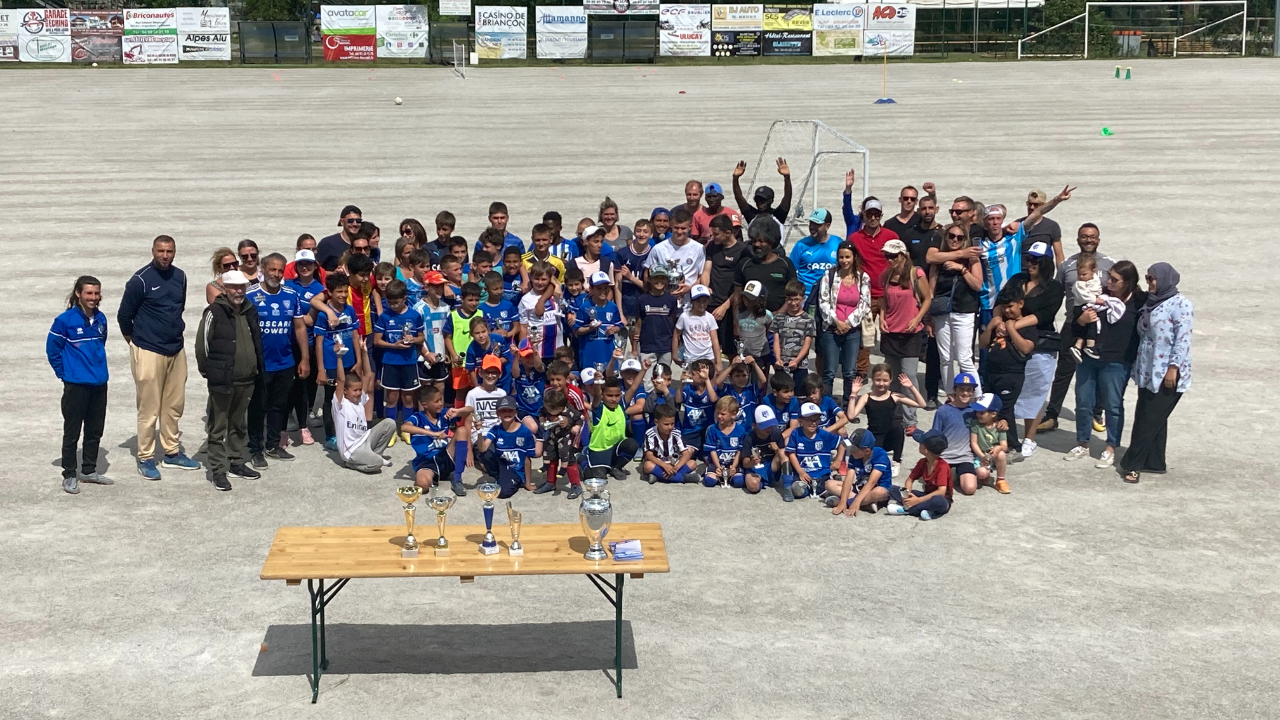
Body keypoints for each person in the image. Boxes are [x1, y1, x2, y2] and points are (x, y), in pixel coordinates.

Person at [118, 235, 200, 480]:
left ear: (175, 252)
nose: (165, 256)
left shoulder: (180, 276)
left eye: (169, 251)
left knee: (174, 405)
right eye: (161, 251)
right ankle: (145, 456)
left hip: (176, 349)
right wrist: (136, 344)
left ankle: (172, 452)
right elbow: (124, 317)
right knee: (149, 407)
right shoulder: (140, 281)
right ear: (153, 251)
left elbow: (178, 308)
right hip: (148, 350)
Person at [1064, 261, 1145, 468]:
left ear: (1128, 282)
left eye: (1115, 280)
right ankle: (1082, 443)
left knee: (1113, 404)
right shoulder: (1098, 294)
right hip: (1088, 358)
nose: (1109, 282)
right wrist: (1082, 320)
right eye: (1109, 277)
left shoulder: (1139, 301)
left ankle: (1111, 447)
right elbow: (1075, 321)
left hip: (1117, 361)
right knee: (1083, 401)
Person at [1120, 263, 1191, 483]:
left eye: (1152, 278)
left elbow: (1182, 339)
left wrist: (1173, 368)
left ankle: (1133, 464)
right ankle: (1155, 461)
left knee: (1147, 420)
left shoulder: (1181, 304)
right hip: (1147, 370)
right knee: (1152, 417)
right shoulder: (1151, 303)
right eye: (1147, 278)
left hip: (1167, 373)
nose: (1149, 282)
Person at [1039, 223, 1114, 432]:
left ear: (1098, 239)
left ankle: (1097, 412)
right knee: (1063, 371)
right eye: (1084, 236)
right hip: (1073, 324)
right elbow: (1056, 294)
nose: (1088, 240)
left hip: (1099, 326)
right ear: (1078, 239)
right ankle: (1052, 414)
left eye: (1092, 236)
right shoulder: (1067, 266)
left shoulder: (1109, 264)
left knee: (1099, 370)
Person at [195, 271, 263, 491]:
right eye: (234, 287)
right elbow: (202, 346)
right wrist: (210, 372)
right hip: (223, 379)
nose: (239, 291)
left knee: (238, 423)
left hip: (247, 379)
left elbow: (256, 339)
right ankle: (218, 470)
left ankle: (236, 461)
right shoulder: (214, 311)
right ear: (224, 288)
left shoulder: (250, 310)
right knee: (218, 426)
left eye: (242, 287)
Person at [48, 276, 113, 493]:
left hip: (99, 383)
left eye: (96, 293)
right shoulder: (64, 321)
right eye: (89, 293)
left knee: (95, 429)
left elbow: (100, 345)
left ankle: (89, 470)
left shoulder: (101, 319)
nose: (93, 297)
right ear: (78, 293)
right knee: (72, 431)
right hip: (76, 385)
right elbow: (52, 350)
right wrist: (64, 374)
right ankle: (69, 474)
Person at [246, 253, 308, 465]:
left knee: (279, 406)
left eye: (281, 270)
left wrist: (304, 359)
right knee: (258, 407)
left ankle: (273, 445)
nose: (276, 274)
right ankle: (255, 449)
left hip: (285, 362)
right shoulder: (250, 295)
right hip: (260, 363)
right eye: (272, 269)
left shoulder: (291, 295)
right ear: (263, 269)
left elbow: (299, 327)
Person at [1010, 242, 1064, 458]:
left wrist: (1014, 325)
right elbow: (1002, 301)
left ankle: (1029, 439)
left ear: (1046, 263)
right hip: (1012, 343)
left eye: (1036, 260)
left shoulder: (1054, 287)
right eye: (1029, 258)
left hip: (1040, 345)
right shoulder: (1017, 279)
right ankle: (1008, 437)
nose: (1031, 263)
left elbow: (1044, 315)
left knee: (1034, 392)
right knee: (1009, 389)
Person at [878, 239, 932, 434]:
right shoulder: (887, 275)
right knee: (892, 378)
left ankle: (911, 419)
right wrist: (881, 318)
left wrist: (917, 318)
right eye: (887, 255)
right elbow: (884, 301)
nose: (890, 259)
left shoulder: (916, 274)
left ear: (903, 255)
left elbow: (927, 298)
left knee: (908, 377)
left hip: (910, 333)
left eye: (893, 255)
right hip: (891, 331)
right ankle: (896, 415)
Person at [979, 283, 1037, 454]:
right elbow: (982, 344)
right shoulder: (999, 323)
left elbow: (1026, 348)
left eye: (1010, 306)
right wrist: (991, 326)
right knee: (990, 408)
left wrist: (1011, 329)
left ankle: (1013, 447)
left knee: (1005, 410)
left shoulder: (1026, 326)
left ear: (1021, 303)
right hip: (991, 372)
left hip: (1011, 375)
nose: (1007, 311)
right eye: (1004, 307)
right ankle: (994, 442)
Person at [313, 273, 367, 451]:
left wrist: (359, 360)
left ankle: (348, 430)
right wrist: (321, 369)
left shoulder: (350, 310)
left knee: (349, 397)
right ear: (329, 292)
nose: (343, 295)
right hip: (331, 364)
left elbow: (355, 335)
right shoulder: (323, 315)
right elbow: (319, 343)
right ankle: (330, 435)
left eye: (345, 291)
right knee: (331, 399)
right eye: (339, 292)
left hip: (349, 362)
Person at [929, 223, 983, 400]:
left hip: (964, 312)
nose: (955, 240)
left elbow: (977, 285)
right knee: (945, 357)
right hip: (942, 312)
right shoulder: (939, 259)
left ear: (965, 239)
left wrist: (961, 269)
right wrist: (928, 317)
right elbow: (931, 290)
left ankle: (977, 396)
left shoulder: (971, 258)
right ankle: (951, 395)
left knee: (964, 358)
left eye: (960, 237)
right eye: (951, 236)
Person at [847, 198, 898, 374]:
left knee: (891, 334)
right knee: (865, 335)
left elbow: (900, 262)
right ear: (864, 215)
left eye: (876, 214)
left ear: (881, 215)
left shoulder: (891, 236)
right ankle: (861, 372)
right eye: (870, 214)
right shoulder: (855, 238)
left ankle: (892, 370)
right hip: (866, 295)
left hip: (888, 294)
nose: (873, 218)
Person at [817, 242, 870, 406]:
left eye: (847, 257)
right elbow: (823, 301)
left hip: (852, 331)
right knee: (829, 371)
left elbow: (864, 304)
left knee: (850, 372)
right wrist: (837, 322)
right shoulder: (829, 275)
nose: (844, 260)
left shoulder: (863, 278)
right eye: (841, 257)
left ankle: (848, 406)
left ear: (854, 257)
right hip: (831, 329)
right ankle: (827, 406)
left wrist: (847, 323)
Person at [331, 347, 397, 474]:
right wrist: (339, 358)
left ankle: (374, 455)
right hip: (352, 450)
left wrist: (365, 353)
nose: (358, 393)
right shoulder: (340, 404)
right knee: (377, 464)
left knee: (390, 423)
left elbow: (367, 375)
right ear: (345, 391)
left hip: (365, 439)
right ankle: (351, 464)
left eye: (359, 390)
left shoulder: (360, 399)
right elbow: (341, 380)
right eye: (355, 390)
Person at [373, 279, 425, 434]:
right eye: (390, 303)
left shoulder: (414, 315)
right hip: (390, 362)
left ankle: (406, 430)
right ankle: (390, 432)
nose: (393, 306)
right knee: (391, 398)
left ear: (404, 298)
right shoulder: (385, 316)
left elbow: (422, 338)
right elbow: (377, 341)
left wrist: (413, 339)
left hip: (409, 362)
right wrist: (394, 345)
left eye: (396, 302)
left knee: (408, 398)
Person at [847, 366, 925, 466]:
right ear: (872, 379)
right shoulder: (866, 397)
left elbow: (921, 404)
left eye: (885, 380)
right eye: (878, 380)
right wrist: (853, 394)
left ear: (891, 380)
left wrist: (911, 387)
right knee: (875, 462)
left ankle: (896, 461)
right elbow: (851, 416)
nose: (881, 383)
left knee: (898, 427)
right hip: (875, 435)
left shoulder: (894, 396)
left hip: (891, 436)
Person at [285, 249, 324, 447]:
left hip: (308, 342)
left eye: (308, 263)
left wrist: (294, 315)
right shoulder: (288, 285)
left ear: (315, 266)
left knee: (305, 385)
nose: (305, 267)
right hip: (287, 341)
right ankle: (288, 418)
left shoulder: (320, 289)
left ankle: (304, 420)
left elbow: (311, 320)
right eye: (301, 264)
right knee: (288, 383)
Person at [927, 372, 982, 496]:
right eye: (961, 389)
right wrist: (932, 458)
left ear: (973, 392)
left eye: (969, 390)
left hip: (965, 455)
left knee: (970, 489)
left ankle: (959, 474)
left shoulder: (975, 411)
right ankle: (949, 473)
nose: (965, 393)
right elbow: (935, 435)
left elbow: (989, 420)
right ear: (954, 390)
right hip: (944, 455)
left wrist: (1003, 421)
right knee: (938, 488)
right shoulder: (943, 411)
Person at [472, 395, 537, 498]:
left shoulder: (524, 431)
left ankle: (516, 481)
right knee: (486, 454)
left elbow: (527, 460)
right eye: (503, 411)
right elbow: (483, 448)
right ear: (498, 413)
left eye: (510, 410)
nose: (507, 413)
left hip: (515, 470)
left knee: (502, 493)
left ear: (515, 411)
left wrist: (527, 483)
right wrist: (479, 431)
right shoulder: (496, 429)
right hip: (502, 466)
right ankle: (500, 478)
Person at [701, 214, 747, 357]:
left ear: (728, 232)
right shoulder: (712, 247)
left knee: (730, 349)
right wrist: (705, 289)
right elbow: (706, 270)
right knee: (707, 348)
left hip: (729, 306)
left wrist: (725, 306)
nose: (713, 237)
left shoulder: (742, 251)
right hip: (710, 303)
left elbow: (741, 285)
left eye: (716, 234)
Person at [1067, 255, 1126, 363]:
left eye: (1084, 274)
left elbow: (1097, 289)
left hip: (1091, 304)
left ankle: (1078, 346)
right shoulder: (1079, 284)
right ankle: (1090, 346)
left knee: (1091, 323)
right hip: (1081, 306)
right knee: (1092, 323)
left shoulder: (1095, 279)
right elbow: (1084, 296)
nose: (1081, 277)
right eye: (1079, 274)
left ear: (1093, 271)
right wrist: (1096, 300)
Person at [885, 429, 952, 521]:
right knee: (891, 488)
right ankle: (925, 510)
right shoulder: (922, 462)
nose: (919, 445)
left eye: (920, 443)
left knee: (939, 502)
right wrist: (907, 495)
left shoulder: (943, 466)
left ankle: (907, 510)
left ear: (926, 450)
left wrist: (917, 501)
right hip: (926, 495)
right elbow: (910, 480)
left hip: (941, 499)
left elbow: (941, 492)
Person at [646, 207, 705, 309]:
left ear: (690, 227)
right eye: (676, 228)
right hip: (664, 304)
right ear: (671, 226)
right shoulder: (658, 249)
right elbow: (648, 273)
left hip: (690, 305)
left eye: (683, 228)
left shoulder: (699, 248)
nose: (679, 231)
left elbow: (702, 276)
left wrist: (689, 288)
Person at [403, 385, 458, 492]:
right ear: (425, 405)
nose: (441, 403)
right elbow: (404, 427)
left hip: (446, 455)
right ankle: (429, 477)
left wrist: (459, 411)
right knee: (422, 485)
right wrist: (433, 433)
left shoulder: (444, 414)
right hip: (427, 461)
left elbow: (469, 410)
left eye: (441, 399)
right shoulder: (418, 418)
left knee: (462, 431)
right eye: (437, 401)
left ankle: (458, 477)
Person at [784, 402, 844, 500]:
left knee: (829, 487)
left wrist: (838, 460)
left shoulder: (824, 434)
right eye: (809, 420)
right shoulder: (796, 433)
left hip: (822, 473)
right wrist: (800, 471)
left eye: (816, 419)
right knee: (797, 490)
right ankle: (812, 490)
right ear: (801, 420)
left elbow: (843, 443)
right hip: (804, 474)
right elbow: (792, 453)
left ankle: (828, 494)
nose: (814, 423)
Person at [735, 217, 796, 314]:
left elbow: (793, 293)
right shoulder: (744, 264)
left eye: (761, 241)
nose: (756, 244)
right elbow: (737, 295)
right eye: (754, 241)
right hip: (750, 320)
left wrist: (779, 313)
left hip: (780, 319)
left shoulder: (785, 263)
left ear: (771, 241)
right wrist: (737, 320)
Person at [533, 387, 585, 498]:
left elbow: (580, 417)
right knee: (551, 458)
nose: (548, 411)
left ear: (561, 407)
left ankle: (576, 485)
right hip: (552, 437)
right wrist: (542, 420)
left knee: (569, 460)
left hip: (565, 439)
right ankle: (550, 482)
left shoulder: (569, 410)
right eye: (547, 408)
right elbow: (541, 411)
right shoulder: (548, 407)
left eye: (551, 410)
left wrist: (576, 426)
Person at [832, 428, 892, 515]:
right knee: (829, 484)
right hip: (859, 488)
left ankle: (851, 503)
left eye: (853, 449)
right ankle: (866, 503)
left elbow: (872, 482)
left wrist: (856, 501)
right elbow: (848, 478)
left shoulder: (880, 455)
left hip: (875, 489)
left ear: (867, 451)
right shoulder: (855, 455)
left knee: (879, 492)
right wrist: (842, 501)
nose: (850, 451)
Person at [576, 271, 625, 371]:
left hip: (608, 353)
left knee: (609, 379)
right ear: (591, 289)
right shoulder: (585, 307)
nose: (603, 291)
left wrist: (613, 330)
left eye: (605, 288)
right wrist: (589, 329)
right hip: (590, 353)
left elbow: (619, 325)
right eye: (599, 288)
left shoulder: (612, 307)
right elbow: (577, 330)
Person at [634, 265, 679, 371]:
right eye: (656, 278)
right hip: (647, 347)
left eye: (662, 278)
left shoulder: (671, 300)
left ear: (667, 280)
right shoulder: (642, 300)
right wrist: (634, 349)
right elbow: (638, 325)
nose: (659, 281)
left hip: (666, 347)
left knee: (663, 377)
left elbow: (672, 323)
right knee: (647, 378)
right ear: (649, 279)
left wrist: (674, 348)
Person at [642, 403, 698, 484]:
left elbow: (686, 454)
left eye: (672, 424)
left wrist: (676, 468)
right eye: (666, 424)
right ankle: (682, 478)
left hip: (674, 464)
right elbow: (649, 455)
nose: (670, 427)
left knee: (692, 463)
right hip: (659, 464)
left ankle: (658, 476)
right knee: (647, 466)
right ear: (656, 422)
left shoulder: (676, 433)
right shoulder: (650, 434)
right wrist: (664, 465)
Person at [772, 281, 815, 389]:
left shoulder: (809, 320)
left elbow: (807, 344)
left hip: (800, 365)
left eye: (796, 299)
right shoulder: (779, 318)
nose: (793, 303)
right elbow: (776, 341)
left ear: (803, 299)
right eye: (790, 299)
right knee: (782, 392)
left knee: (800, 393)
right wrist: (777, 358)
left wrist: (797, 360)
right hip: (782, 364)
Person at [731, 157, 792, 231]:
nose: (759, 202)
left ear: (771, 201)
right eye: (757, 200)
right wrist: (735, 178)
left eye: (763, 200)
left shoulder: (778, 215)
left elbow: (787, 197)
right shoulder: (752, 215)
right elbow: (739, 198)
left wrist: (787, 177)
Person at [968, 393, 1010, 494]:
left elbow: (1004, 446)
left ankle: (1000, 480)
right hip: (980, 455)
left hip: (993, 455)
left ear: (993, 414)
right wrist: (982, 456)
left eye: (982, 412)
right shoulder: (976, 424)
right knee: (982, 473)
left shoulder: (1000, 427)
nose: (978, 414)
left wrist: (998, 448)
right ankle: (984, 476)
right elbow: (974, 443)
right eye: (977, 412)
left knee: (1001, 454)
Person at [742, 405, 786, 496]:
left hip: (771, 466)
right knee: (753, 486)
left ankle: (788, 485)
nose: (769, 428)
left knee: (783, 451)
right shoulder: (749, 437)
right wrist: (753, 462)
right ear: (755, 426)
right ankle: (761, 482)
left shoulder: (776, 433)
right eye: (765, 426)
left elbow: (784, 455)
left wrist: (777, 450)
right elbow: (745, 463)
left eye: (770, 425)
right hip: (756, 468)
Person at [676, 359, 718, 451]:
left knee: (708, 454)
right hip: (690, 431)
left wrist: (706, 379)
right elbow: (678, 400)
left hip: (707, 430)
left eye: (693, 374)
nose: (690, 376)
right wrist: (681, 384)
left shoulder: (711, 390)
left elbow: (713, 399)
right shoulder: (688, 389)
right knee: (688, 452)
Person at [673, 284, 720, 367]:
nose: (701, 304)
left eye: (704, 301)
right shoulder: (684, 317)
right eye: (698, 301)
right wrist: (674, 355)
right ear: (692, 301)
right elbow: (676, 335)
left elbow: (715, 340)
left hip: (708, 357)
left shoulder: (710, 317)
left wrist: (718, 362)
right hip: (691, 358)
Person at [1017, 190, 1064, 264]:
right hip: (1021, 269)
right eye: (1029, 204)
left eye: (1036, 205)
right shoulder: (1018, 225)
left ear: (1043, 206)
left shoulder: (1052, 226)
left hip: (1043, 269)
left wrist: (1061, 270)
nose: (1032, 207)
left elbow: (1059, 255)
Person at [316, 204, 363, 272]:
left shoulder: (363, 244)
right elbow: (315, 270)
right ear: (342, 222)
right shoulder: (328, 243)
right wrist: (334, 273)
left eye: (358, 221)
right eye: (350, 221)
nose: (355, 224)